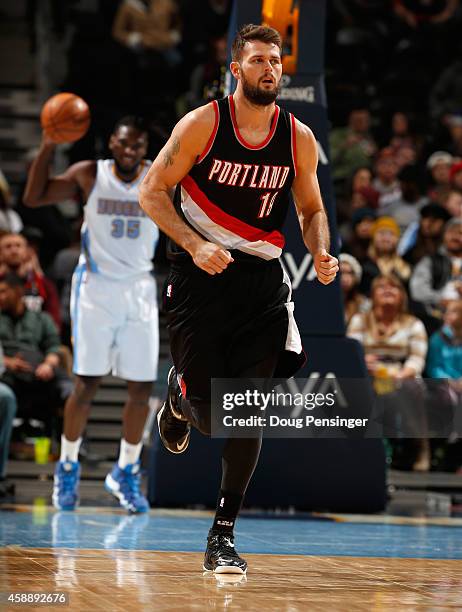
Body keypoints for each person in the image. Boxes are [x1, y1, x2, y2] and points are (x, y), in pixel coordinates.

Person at [139, 24, 338, 574]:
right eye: (258, 60)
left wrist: (320, 251)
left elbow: (312, 208)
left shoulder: (297, 137)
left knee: (247, 410)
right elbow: (151, 191)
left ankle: (222, 535)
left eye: (276, 60)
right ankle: (179, 401)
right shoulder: (203, 124)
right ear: (236, 68)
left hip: (261, 283)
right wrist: (195, 244)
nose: (269, 69)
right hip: (201, 275)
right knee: (211, 414)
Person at [23, 116, 160, 514]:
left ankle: (126, 471)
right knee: (86, 383)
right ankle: (67, 466)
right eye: (123, 143)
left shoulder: (157, 176)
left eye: (137, 144)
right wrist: (49, 145)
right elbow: (34, 197)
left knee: (140, 387)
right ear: (111, 145)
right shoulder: (89, 174)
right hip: (96, 289)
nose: (130, 150)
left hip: (139, 287)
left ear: (144, 147)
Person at [347, 274, 429, 471]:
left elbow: (417, 358)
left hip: (401, 374)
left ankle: (420, 448)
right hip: (366, 373)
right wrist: (362, 361)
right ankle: (360, 452)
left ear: (402, 296)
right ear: (373, 295)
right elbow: (351, 351)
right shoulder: (360, 320)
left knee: (412, 388)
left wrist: (402, 374)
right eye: (381, 287)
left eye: (394, 288)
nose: (388, 290)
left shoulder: (413, 323)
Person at [0, 273, 71, 439]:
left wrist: (48, 364)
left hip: (39, 372)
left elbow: (54, 346)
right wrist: (6, 362)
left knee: (69, 390)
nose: (0, 297)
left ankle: (75, 446)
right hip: (7, 374)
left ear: (18, 292)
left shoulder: (41, 318)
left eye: (4, 292)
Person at [339, 253, 370, 325]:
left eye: (349, 273)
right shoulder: (326, 302)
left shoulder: (364, 304)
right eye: (341, 273)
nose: (345, 278)